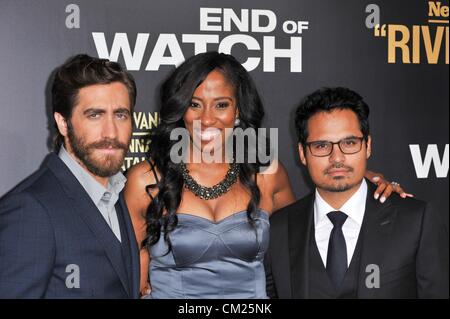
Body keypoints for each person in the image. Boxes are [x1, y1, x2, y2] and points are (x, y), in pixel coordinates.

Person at [125, 52, 409, 299]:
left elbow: (308, 234)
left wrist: (358, 183)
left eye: (221, 104)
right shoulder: (146, 180)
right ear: (180, 109)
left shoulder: (266, 173)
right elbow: (131, 283)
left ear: (238, 109)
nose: (207, 119)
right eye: (195, 104)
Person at [265, 87, 449, 299]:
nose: (337, 158)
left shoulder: (417, 222)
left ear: (367, 145)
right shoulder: (278, 230)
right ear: (302, 154)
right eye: (322, 145)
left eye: (349, 143)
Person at [0, 54, 140, 298]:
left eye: (120, 114)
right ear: (63, 123)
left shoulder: (116, 192)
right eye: (94, 115)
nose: (111, 132)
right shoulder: (30, 209)